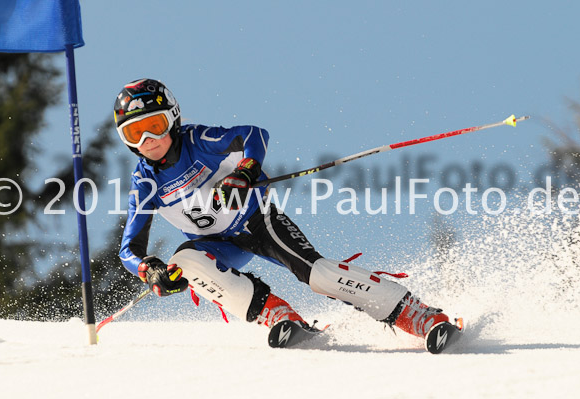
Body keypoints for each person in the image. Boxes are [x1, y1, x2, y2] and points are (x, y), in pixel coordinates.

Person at [115, 78, 452, 341]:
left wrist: (244, 171)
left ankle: (415, 313)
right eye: (134, 133)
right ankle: (276, 314)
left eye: (154, 126)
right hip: (219, 247)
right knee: (183, 261)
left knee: (317, 275)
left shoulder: (196, 140)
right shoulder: (145, 183)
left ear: (172, 118)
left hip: (258, 222)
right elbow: (129, 249)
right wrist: (150, 271)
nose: (147, 140)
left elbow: (253, 134)